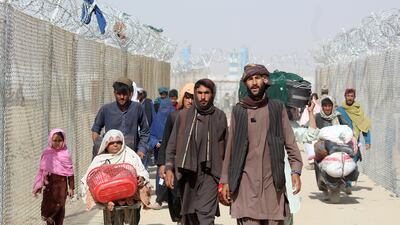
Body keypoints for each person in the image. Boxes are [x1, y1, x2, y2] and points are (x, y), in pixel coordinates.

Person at [220, 64, 303, 225]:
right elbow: (230, 149)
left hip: (272, 184)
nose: (254, 82)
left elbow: (290, 142)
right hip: (245, 185)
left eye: (257, 78)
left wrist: (296, 171)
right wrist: (225, 181)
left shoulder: (277, 108)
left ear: (265, 80)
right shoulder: (239, 111)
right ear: (246, 84)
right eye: (250, 79)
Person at [165, 79, 228, 225]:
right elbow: (172, 144)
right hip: (188, 173)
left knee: (206, 217)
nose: (203, 97)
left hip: (210, 175)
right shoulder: (183, 116)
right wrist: (169, 167)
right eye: (199, 93)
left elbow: (226, 148)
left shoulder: (219, 116)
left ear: (212, 95)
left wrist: (225, 179)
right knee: (190, 216)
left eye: (207, 93)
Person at [81, 129, 150, 224]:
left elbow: (141, 171)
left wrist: (141, 178)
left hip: (128, 190)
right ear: (106, 144)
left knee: (142, 188)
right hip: (108, 193)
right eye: (111, 142)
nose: (115, 145)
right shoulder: (100, 159)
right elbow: (90, 176)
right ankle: (108, 203)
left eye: (118, 142)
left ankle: (128, 199)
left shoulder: (130, 155)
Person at [156, 83, 194, 223]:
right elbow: (166, 141)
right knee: (176, 195)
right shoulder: (173, 116)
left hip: (194, 165)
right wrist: (162, 164)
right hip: (177, 164)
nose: (190, 101)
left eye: (193, 98)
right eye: (188, 97)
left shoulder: (200, 117)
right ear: (183, 98)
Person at [91, 77, 149, 161]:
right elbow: (95, 130)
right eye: (119, 94)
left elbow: (145, 131)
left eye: (125, 94)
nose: (122, 97)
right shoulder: (106, 109)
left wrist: (141, 149)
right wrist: (101, 148)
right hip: (110, 157)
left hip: (131, 156)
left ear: (130, 94)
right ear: (114, 93)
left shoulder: (137, 108)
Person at [32, 128, 74, 225]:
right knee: (48, 208)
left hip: (61, 188)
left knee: (60, 209)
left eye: (60, 140)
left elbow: (70, 173)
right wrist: (39, 185)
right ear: (50, 140)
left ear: (63, 141)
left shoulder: (66, 155)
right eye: (55, 140)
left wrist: (71, 188)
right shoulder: (47, 154)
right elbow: (42, 172)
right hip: (49, 188)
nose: (57, 143)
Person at [148, 98, 175, 210]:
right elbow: (151, 136)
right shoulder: (156, 121)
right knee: (161, 177)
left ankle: (173, 201)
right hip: (161, 155)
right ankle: (159, 200)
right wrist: (155, 143)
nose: (165, 111)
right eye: (163, 108)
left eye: (167, 108)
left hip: (173, 155)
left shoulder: (176, 118)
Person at [336, 88, 371, 153]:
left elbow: (364, 127)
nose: (350, 98)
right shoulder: (339, 110)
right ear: (345, 96)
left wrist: (367, 141)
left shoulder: (358, 110)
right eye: (348, 96)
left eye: (352, 96)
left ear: (354, 97)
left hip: (354, 143)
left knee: (353, 162)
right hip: (342, 143)